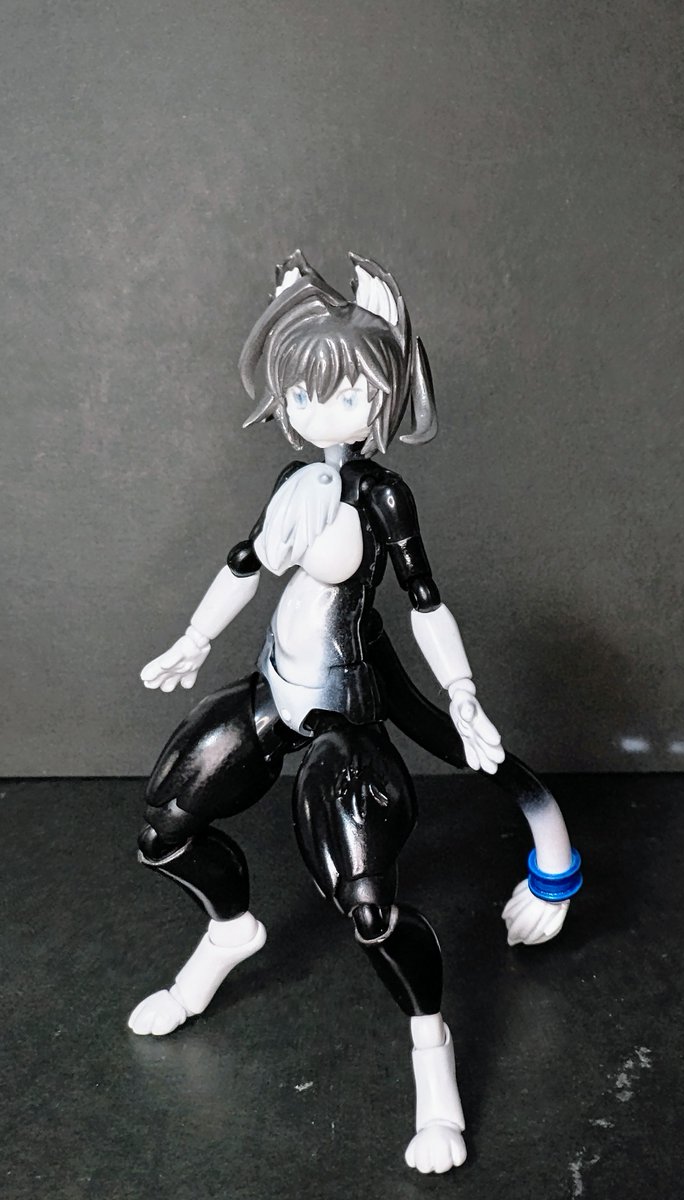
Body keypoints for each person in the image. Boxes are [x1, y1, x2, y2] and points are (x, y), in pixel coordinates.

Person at [128, 251, 582, 1174]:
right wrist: (193, 638)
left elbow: (425, 603)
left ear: (382, 400)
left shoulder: (382, 496)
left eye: (343, 394)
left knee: (369, 907)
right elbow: (247, 563)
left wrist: (462, 694)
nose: (318, 411)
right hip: (274, 691)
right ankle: (230, 932)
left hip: (344, 713)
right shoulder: (293, 484)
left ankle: (432, 1054)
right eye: (303, 393)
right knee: (163, 829)